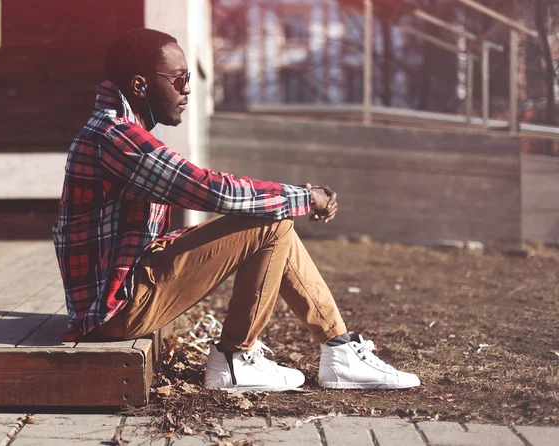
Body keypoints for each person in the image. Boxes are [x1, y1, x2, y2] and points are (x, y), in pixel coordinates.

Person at [52, 28, 420, 391]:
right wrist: (304, 198)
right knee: (272, 222)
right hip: (118, 311)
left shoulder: (123, 128)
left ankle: (339, 351)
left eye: (189, 77)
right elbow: (210, 189)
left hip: (128, 288)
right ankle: (235, 357)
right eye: (179, 79)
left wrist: (288, 198)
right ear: (139, 85)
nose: (187, 89)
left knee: (273, 218)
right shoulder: (115, 137)